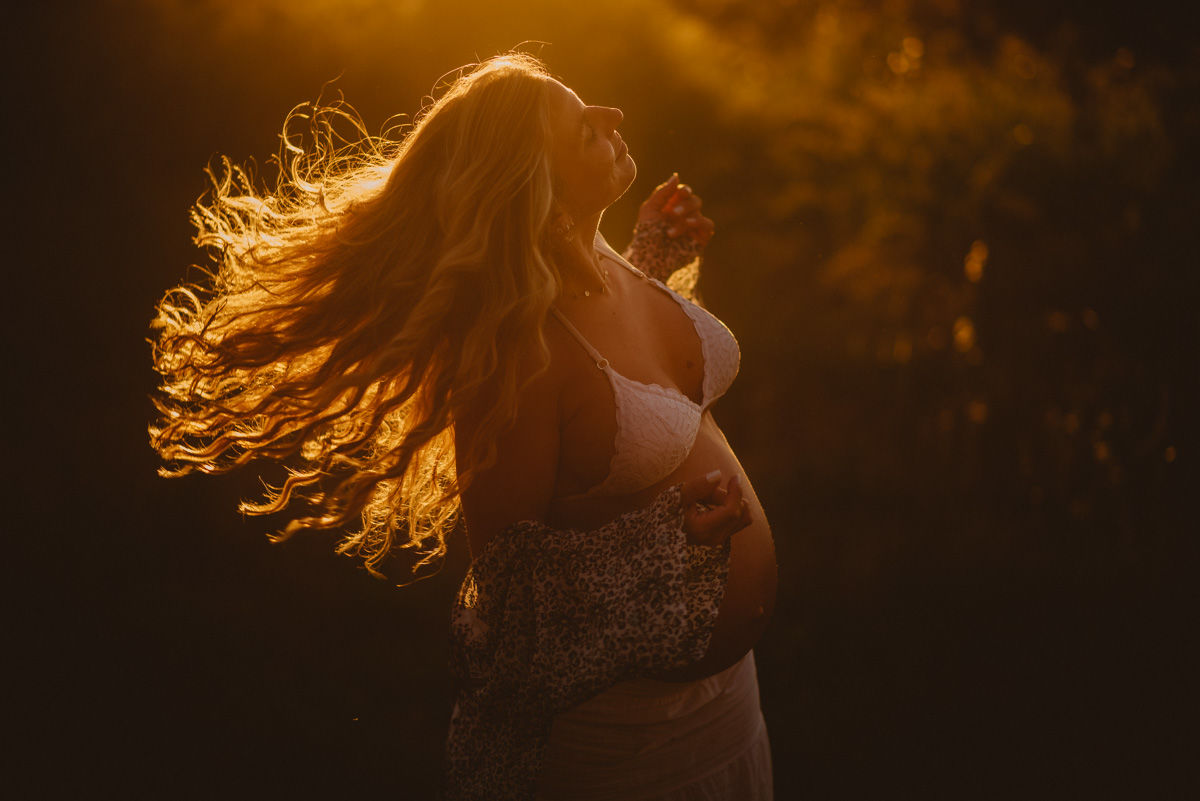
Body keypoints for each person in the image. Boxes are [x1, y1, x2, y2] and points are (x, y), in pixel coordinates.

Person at [148, 53, 777, 801]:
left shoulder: (604, 257)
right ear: (539, 192)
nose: (613, 117)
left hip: (732, 711)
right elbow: (509, 612)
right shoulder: (517, 362)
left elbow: (632, 398)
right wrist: (666, 546)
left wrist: (654, 262)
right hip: (629, 757)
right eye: (583, 127)